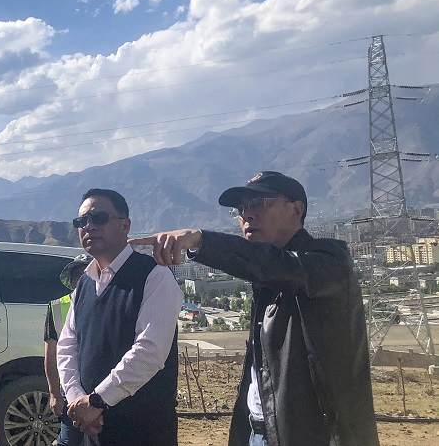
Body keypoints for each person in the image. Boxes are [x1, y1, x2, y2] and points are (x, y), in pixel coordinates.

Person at [129, 171, 380, 446]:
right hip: (258, 432)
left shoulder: (328, 261)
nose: (247, 214)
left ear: (297, 210)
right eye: (242, 208)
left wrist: (202, 240)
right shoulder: (266, 278)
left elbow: (279, 266)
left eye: (259, 203)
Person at [57, 188, 183, 446]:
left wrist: (97, 401)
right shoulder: (84, 285)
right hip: (92, 430)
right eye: (82, 221)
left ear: (125, 225)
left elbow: (150, 351)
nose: (89, 226)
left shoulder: (154, 277)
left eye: (99, 218)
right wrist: (77, 400)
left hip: (143, 432)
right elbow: (67, 346)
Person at [44, 253, 92, 446]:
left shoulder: (110, 302)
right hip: (71, 388)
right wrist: (54, 393)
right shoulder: (57, 307)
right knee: (69, 441)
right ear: (71, 281)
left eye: (88, 273)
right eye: (78, 275)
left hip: (102, 388)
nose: (82, 279)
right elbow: (51, 353)